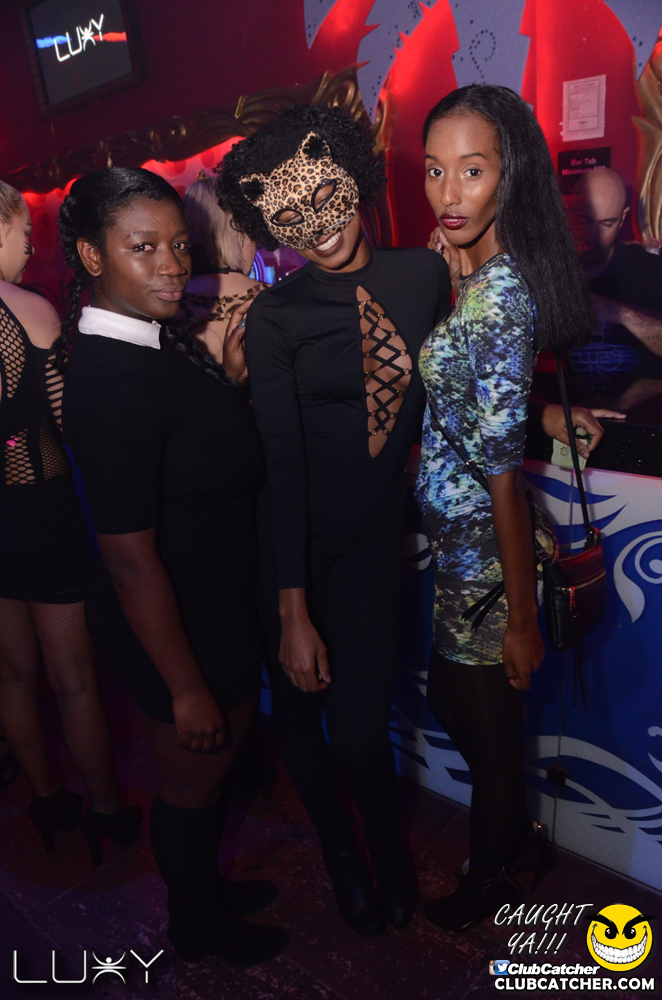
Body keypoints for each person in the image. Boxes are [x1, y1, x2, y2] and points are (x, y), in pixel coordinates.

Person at [217, 104, 451, 936]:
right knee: (303, 725)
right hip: (289, 546)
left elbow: (456, 388)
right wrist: (292, 610)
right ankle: (340, 854)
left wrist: (547, 420)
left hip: (371, 543)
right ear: (267, 224)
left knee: (357, 733)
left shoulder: (423, 277)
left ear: (354, 176)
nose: (316, 225)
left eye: (325, 196)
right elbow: (282, 466)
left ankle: (383, 846)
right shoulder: (276, 318)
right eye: (289, 216)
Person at [54, 167, 288, 966]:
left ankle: (207, 891)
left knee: (212, 777)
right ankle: (194, 923)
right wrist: (184, 686)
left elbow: (184, 445)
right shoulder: (110, 377)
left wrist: (228, 384)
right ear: (92, 255)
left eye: (179, 245)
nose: (170, 265)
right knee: (192, 784)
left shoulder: (150, 340)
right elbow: (126, 558)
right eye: (142, 247)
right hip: (172, 621)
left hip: (206, 601)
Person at [417, 84, 597, 932]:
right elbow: (482, 398)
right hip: (463, 558)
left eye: (473, 170)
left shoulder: (497, 298)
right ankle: (518, 837)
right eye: (434, 171)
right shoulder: (481, 276)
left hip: (489, 561)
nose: (448, 193)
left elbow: (501, 482)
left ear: (509, 176)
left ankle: (492, 871)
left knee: (486, 741)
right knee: (454, 706)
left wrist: (523, 620)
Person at [0, 179, 140, 859]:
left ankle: (46, 799)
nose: (30, 247)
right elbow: (71, 424)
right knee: (74, 679)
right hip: (42, 515)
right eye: (23, 232)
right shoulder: (31, 310)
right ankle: (106, 814)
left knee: (12, 675)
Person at [569, 167, 662, 377]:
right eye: (586, 220)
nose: (593, 236)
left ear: (622, 218)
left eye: (606, 224)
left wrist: (619, 313)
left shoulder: (646, 269)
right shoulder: (551, 270)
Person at [178, 174, 265, 363]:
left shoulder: (166, 304)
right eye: (253, 232)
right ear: (240, 232)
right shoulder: (274, 300)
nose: (255, 245)